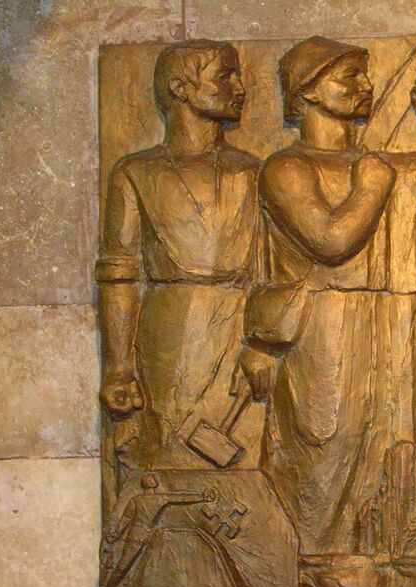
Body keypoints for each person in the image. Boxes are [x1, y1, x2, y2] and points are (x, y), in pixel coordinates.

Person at [243, 36, 416, 555]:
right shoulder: (287, 168)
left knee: (390, 461)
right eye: (349, 77)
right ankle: (313, 573)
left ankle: (382, 581)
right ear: (307, 92)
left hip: (389, 323)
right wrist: (370, 186)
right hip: (324, 330)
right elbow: (331, 241)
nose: (366, 86)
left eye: (364, 75)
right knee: (325, 458)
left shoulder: (378, 163)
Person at [96, 40, 261, 469]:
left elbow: (273, 268)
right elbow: (119, 275)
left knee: (243, 469)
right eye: (224, 76)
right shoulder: (136, 172)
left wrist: (262, 344)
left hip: (239, 327)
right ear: (180, 88)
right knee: (167, 457)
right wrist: (119, 367)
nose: (240, 88)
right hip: (169, 333)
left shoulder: (251, 171)